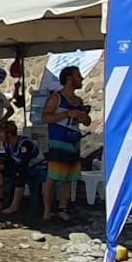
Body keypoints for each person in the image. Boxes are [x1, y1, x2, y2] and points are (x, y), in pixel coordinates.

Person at [42, 64, 91, 222]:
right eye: (78, 76)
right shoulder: (56, 98)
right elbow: (45, 118)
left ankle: (63, 208)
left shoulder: (78, 100)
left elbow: (87, 121)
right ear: (69, 79)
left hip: (74, 141)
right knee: (53, 177)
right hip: (58, 141)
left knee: (69, 178)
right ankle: (47, 210)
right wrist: (66, 114)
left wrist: (84, 118)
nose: (81, 79)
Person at [0, 120, 45, 214]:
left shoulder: (25, 144)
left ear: (9, 134)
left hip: (36, 168)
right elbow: (9, 160)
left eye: (0, 133)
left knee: (20, 176)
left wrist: (15, 170)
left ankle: (14, 206)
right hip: (19, 167)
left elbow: (24, 163)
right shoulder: (7, 145)